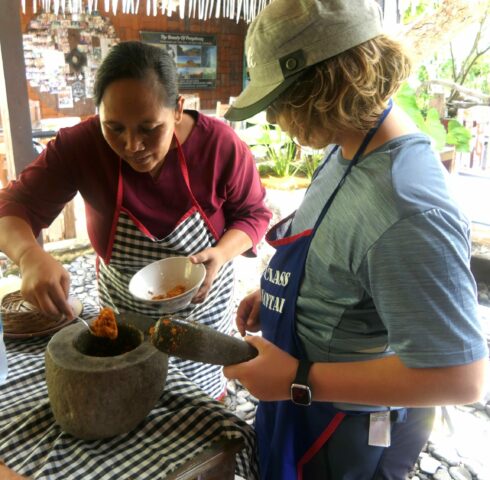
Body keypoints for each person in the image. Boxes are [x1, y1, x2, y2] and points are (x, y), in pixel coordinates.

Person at [222, 0, 489, 478]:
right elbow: (342, 251)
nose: (274, 118)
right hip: (306, 402)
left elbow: (461, 377)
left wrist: (298, 380)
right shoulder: (350, 145)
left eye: (278, 101)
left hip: (349, 430)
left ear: (319, 89)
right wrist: (283, 296)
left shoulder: (407, 207)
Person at [0, 41, 271, 399]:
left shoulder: (219, 146)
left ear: (177, 109)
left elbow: (254, 214)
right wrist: (29, 255)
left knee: (199, 408)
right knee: (131, 396)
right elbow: (11, 209)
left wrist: (220, 253)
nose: (132, 146)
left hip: (201, 318)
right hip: (125, 321)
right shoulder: (81, 147)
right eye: (114, 128)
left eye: (149, 128)